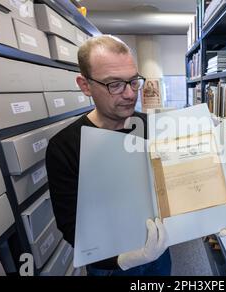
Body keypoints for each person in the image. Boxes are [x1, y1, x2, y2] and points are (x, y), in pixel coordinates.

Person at [45, 35, 171, 276]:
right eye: (114, 84)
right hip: (111, 265)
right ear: (85, 85)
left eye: (134, 81)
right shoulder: (65, 147)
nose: (129, 94)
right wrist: (123, 260)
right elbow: (71, 225)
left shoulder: (154, 128)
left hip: (159, 251)